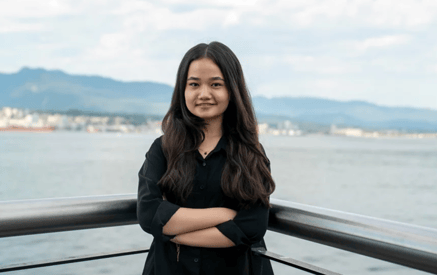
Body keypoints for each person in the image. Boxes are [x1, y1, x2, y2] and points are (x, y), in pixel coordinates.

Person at [137, 41, 275, 275]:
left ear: (232, 90)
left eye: (215, 84)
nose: (204, 94)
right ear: (183, 90)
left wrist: (173, 232)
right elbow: (149, 215)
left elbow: (252, 226)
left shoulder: (250, 152)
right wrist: (224, 215)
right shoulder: (162, 149)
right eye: (194, 84)